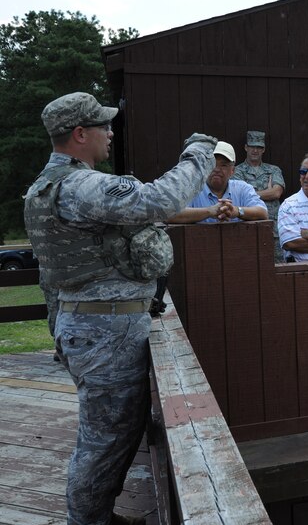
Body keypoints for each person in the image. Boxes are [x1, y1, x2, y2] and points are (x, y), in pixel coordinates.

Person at [23, 91, 218, 525]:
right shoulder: (80, 185)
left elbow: (55, 274)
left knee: (111, 436)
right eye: (103, 126)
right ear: (79, 134)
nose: (110, 133)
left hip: (90, 328)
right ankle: (88, 519)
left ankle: (97, 514)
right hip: (104, 334)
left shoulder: (43, 188)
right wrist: (198, 156)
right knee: (103, 442)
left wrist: (60, 329)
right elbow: (159, 201)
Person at [168, 141, 268, 223]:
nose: (217, 169)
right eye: (212, 164)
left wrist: (237, 211)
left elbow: (263, 212)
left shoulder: (243, 188)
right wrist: (209, 212)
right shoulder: (191, 189)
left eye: (223, 165)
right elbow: (170, 214)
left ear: (232, 171)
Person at [232, 130, 285, 261]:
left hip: (273, 230)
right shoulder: (236, 171)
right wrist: (267, 192)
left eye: (259, 147)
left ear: (264, 149)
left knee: (277, 266)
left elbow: (277, 192)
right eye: (252, 146)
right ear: (246, 147)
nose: (255, 150)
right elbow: (239, 197)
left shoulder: (273, 170)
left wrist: (250, 193)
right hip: (247, 227)